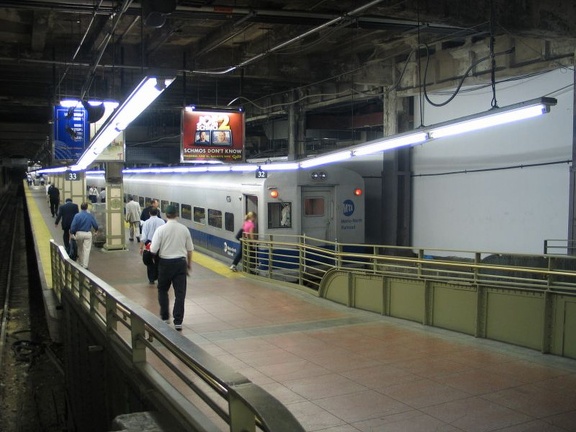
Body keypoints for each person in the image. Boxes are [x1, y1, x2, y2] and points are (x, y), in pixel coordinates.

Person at [150, 205, 194, 331]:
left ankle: (165, 317)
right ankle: (178, 321)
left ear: (166, 215)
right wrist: (189, 265)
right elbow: (190, 250)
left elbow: (153, 249)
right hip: (180, 264)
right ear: (177, 215)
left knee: (162, 290)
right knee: (180, 293)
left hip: (165, 263)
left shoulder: (161, 229)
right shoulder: (184, 229)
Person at [70, 202, 99, 269]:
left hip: (79, 233)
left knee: (80, 249)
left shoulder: (77, 215)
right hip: (87, 234)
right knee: (86, 250)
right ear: (86, 207)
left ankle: (80, 263)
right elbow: (95, 225)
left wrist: (72, 233)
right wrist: (96, 230)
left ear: (81, 207)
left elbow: (73, 226)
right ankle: (85, 265)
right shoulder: (90, 215)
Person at [140, 207, 165, 284]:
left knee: (150, 262)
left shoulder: (146, 222)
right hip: (160, 244)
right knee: (159, 260)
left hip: (149, 244)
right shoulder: (162, 221)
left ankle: (151, 279)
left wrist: (141, 247)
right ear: (157, 213)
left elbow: (144, 237)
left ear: (149, 213)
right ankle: (159, 277)